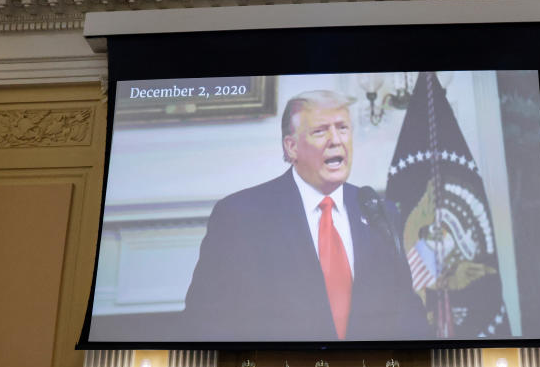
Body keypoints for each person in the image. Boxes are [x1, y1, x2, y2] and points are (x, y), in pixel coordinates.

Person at [181, 90, 429, 341]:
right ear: (291, 147)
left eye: (342, 128)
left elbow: (407, 312)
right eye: (320, 131)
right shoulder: (240, 216)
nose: (336, 140)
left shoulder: (379, 212)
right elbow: (204, 322)